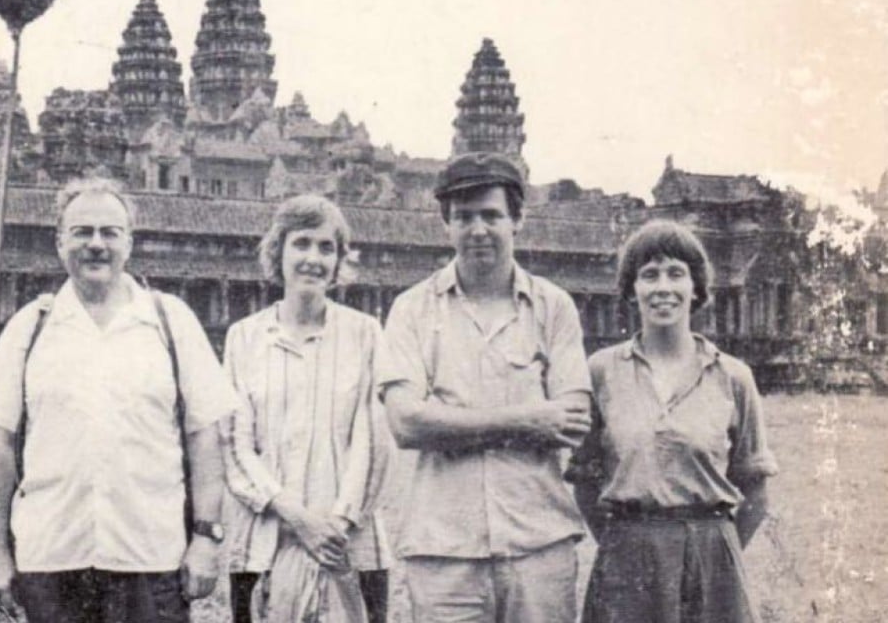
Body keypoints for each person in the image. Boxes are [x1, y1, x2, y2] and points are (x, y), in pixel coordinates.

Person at [0, 177, 239, 622]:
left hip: (151, 558)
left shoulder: (170, 321)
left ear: (128, 243)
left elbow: (204, 440)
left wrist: (207, 538)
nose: (96, 244)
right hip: (52, 556)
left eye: (110, 232)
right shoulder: (31, 326)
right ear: (60, 243)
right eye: (82, 232)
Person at [378, 152, 593, 623]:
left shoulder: (554, 308)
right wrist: (528, 418)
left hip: (538, 546)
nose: (478, 229)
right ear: (446, 226)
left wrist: (450, 421)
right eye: (464, 217)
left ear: (518, 219)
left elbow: (571, 422)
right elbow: (407, 424)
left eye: (492, 215)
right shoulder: (411, 310)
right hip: (443, 554)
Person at [567, 219, 779, 623]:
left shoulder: (733, 376)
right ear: (632, 290)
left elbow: (755, 489)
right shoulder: (601, 372)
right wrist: (629, 543)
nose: (663, 287)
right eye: (649, 275)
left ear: (696, 288)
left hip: (712, 557)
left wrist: (713, 551)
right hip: (627, 558)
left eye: (676, 274)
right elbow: (585, 480)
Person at [221, 195, 391, 623]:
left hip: (350, 545)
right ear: (278, 252)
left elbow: (372, 442)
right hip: (263, 544)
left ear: (339, 262)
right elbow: (235, 446)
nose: (313, 259)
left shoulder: (366, 334)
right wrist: (298, 518)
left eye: (326, 247)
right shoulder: (244, 338)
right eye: (301, 244)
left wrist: (336, 525)